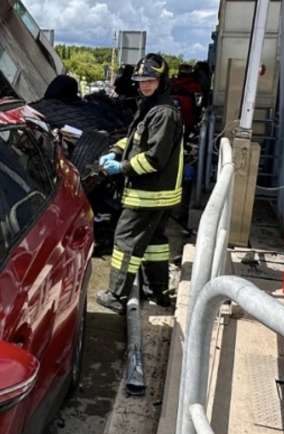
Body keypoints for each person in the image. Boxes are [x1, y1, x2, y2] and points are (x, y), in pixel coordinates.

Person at [95, 53, 184, 314]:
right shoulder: (152, 106)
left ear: (161, 80)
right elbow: (135, 139)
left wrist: (121, 168)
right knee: (154, 243)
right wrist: (115, 150)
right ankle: (158, 292)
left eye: (150, 80)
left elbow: (154, 158)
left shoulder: (163, 113)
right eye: (141, 80)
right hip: (159, 195)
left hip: (149, 194)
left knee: (126, 241)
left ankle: (116, 294)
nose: (144, 85)